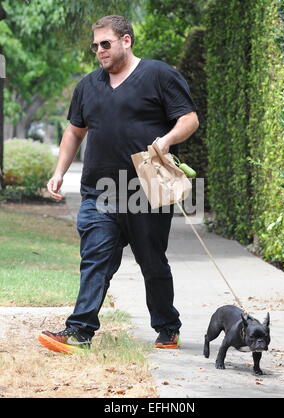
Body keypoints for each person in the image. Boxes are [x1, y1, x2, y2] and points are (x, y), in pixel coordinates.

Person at [38, 15, 199, 354]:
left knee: (152, 261)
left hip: (146, 191)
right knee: (96, 257)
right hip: (100, 191)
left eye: (105, 43)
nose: (99, 50)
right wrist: (59, 171)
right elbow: (74, 131)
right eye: (95, 46)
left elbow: (189, 118)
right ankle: (79, 331)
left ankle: (167, 326)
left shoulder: (159, 75)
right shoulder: (88, 86)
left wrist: (166, 140)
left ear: (126, 40)